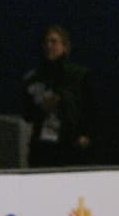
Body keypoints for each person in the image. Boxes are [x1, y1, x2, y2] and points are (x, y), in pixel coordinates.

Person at [21, 24, 94, 167]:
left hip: (71, 145)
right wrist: (41, 107)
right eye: (46, 42)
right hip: (42, 147)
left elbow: (91, 109)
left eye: (54, 41)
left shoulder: (78, 75)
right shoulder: (33, 78)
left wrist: (87, 136)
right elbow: (26, 114)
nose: (49, 46)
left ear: (65, 46)